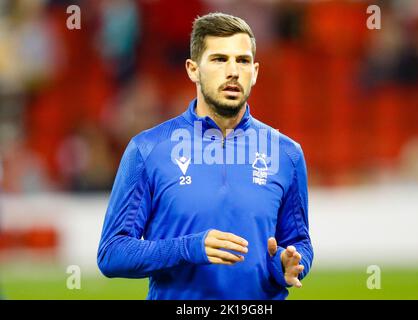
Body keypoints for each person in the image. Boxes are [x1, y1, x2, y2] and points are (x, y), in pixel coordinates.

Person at [97, 12, 313, 300]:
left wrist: (289, 264)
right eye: (219, 59)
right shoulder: (148, 150)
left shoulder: (287, 154)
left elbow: (299, 242)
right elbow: (112, 252)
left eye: (243, 60)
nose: (233, 71)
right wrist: (189, 248)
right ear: (192, 69)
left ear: (256, 71)